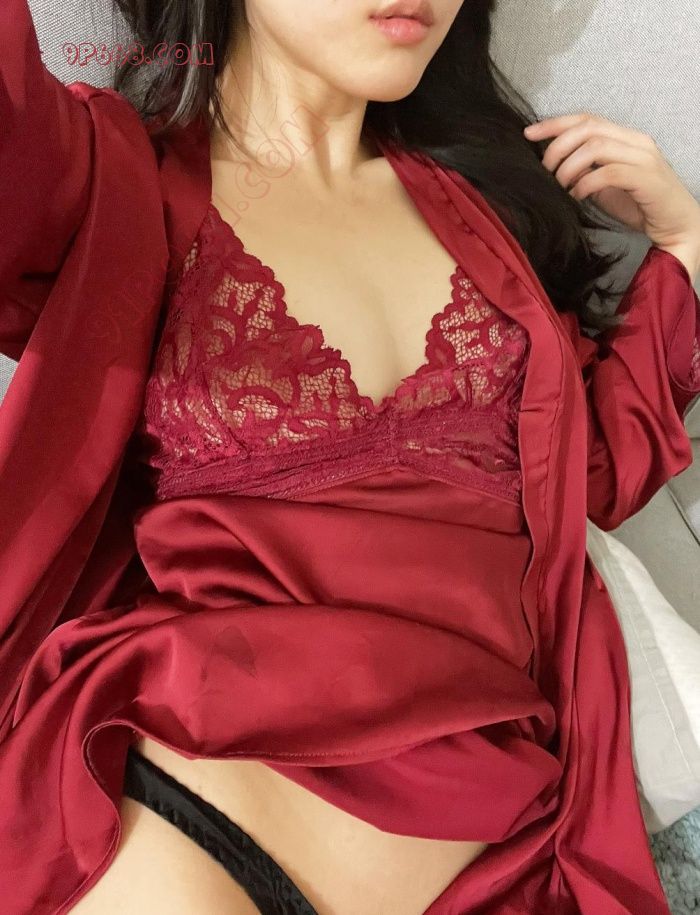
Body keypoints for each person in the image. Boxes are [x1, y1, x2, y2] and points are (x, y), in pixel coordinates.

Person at [1, 1, 699, 913]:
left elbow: (585, 475)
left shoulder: (492, 214)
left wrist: (686, 251)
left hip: (510, 862)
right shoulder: (116, 182)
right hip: (183, 829)